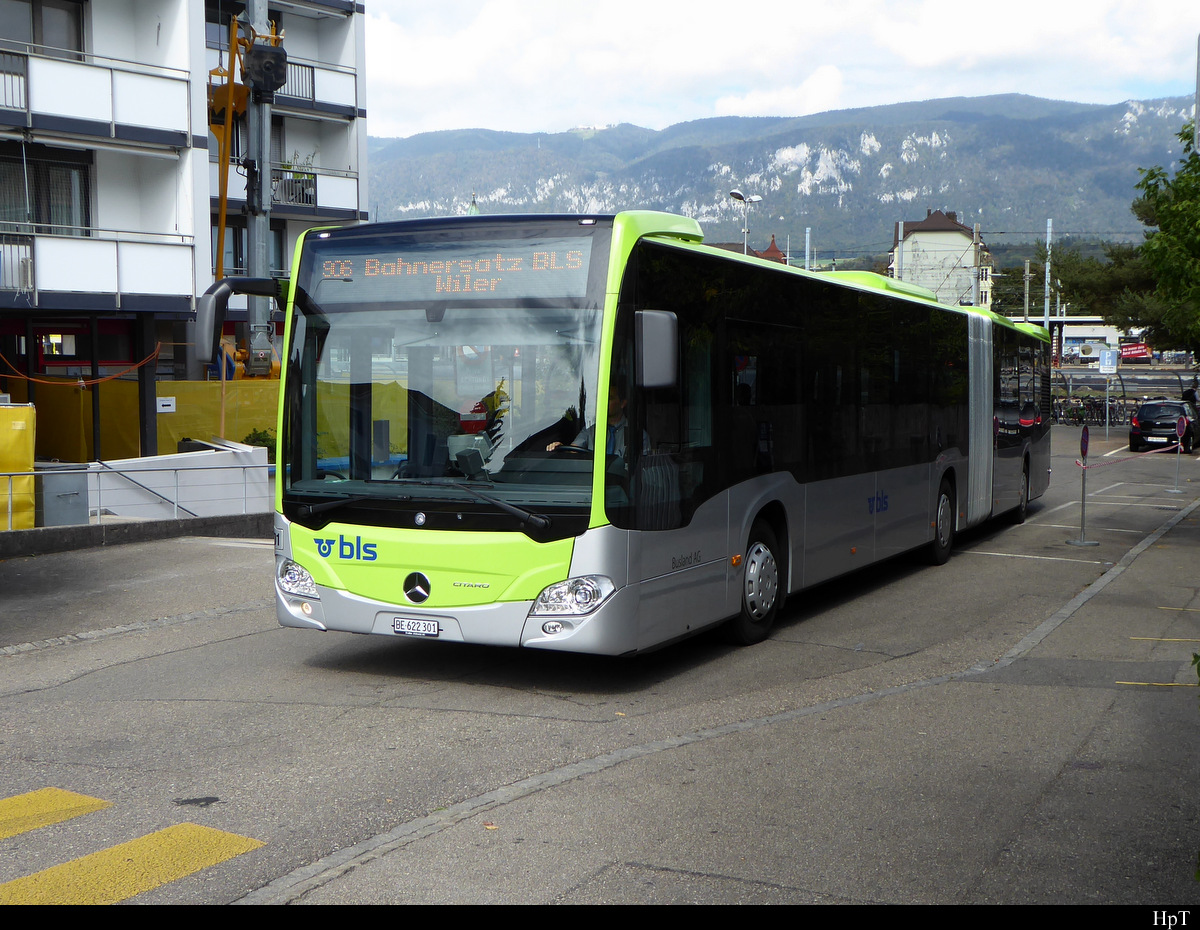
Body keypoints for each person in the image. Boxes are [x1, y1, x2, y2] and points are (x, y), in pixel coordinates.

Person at [547, 382, 648, 457]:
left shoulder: (636, 434)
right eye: (602, 398)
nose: (603, 402)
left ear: (622, 403)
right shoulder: (590, 431)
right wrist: (560, 447)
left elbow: (643, 470)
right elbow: (573, 451)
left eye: (609, 398)